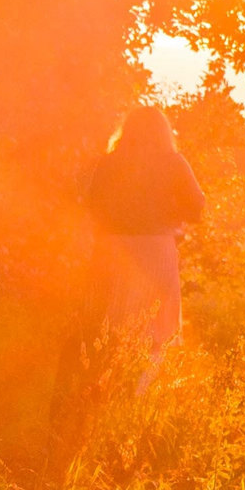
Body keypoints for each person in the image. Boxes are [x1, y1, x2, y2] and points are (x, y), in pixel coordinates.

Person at [83, 101, 207, 382]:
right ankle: (142, 390)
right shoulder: (173, 162)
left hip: (113, 248)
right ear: (164, 132)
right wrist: (172, 214)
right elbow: (198, 206)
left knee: (111, 318)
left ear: (127, 131)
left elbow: (93, 205)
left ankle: (104, 385)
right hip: (155, 247)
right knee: (156, 325)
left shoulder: (109, 163)